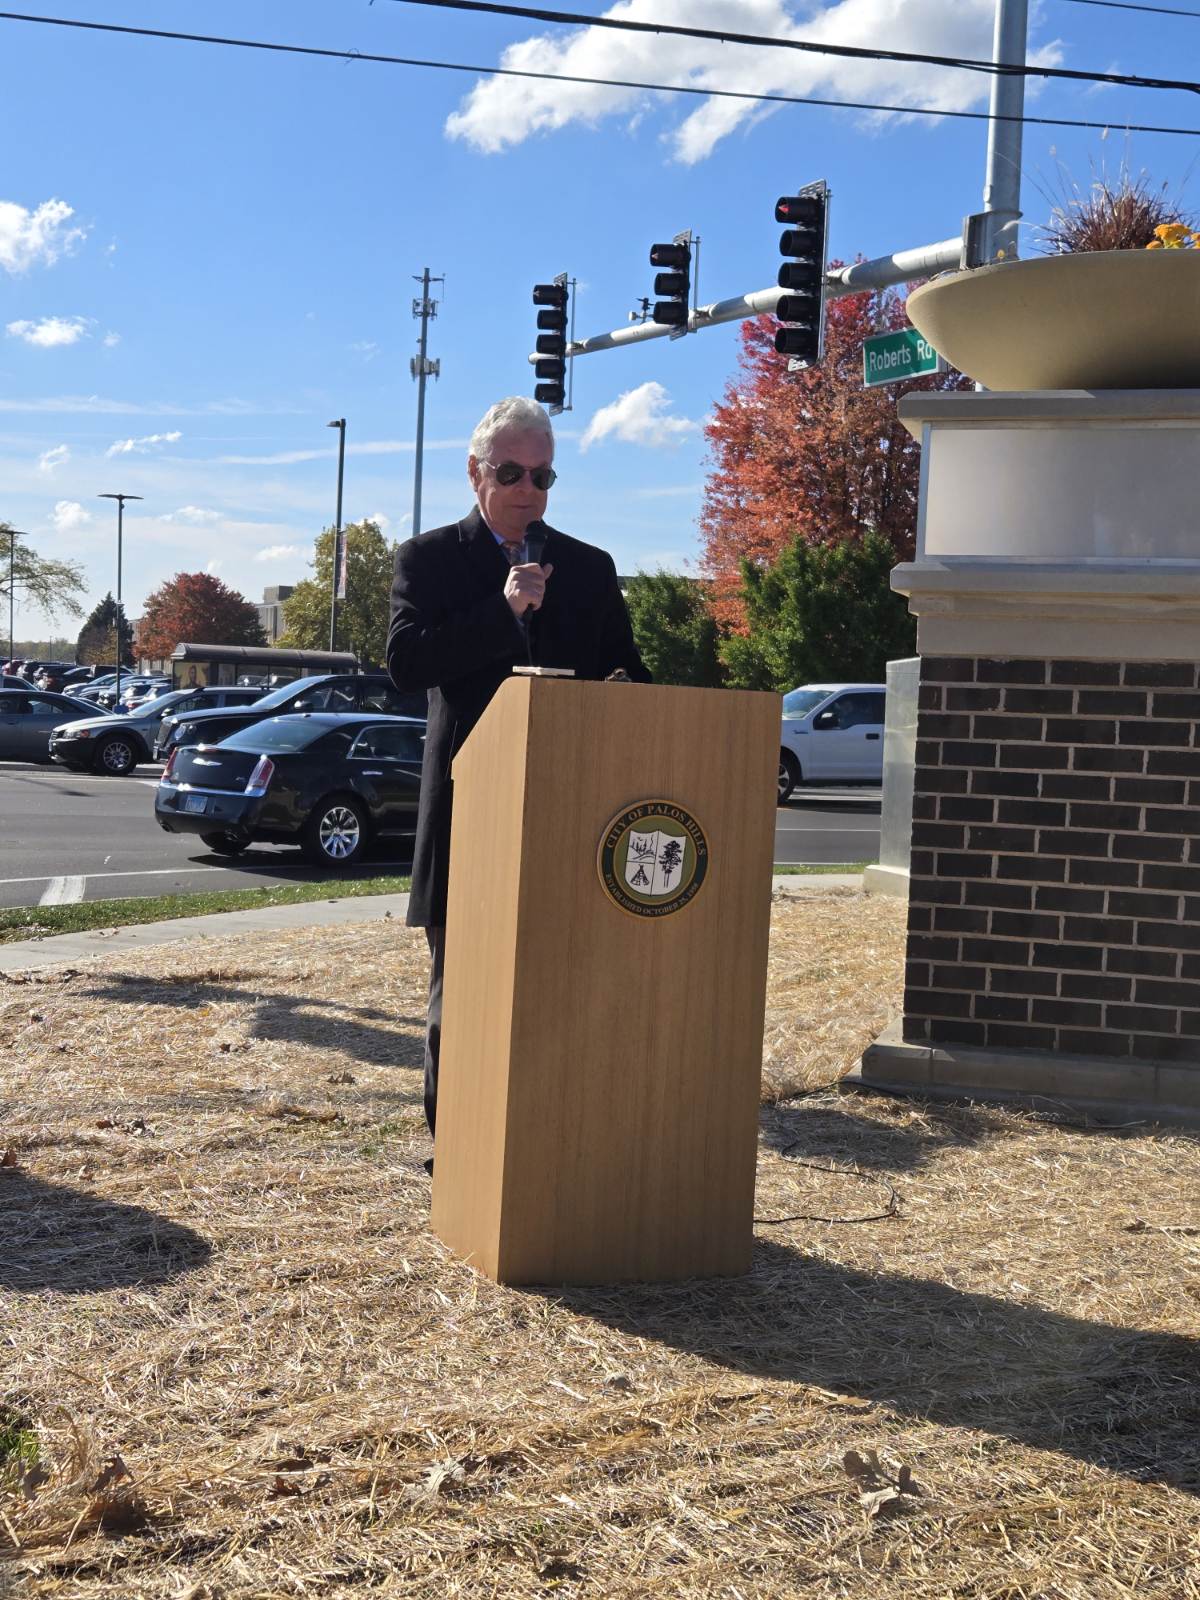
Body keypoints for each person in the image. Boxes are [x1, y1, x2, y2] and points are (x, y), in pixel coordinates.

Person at [387, 395, 649, 1153]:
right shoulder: (429, 560)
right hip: (472, 813)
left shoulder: (590, 569)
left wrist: (628, 695)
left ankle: (547, 1143)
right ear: (475, 473)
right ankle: (459, 1149)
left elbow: (627, 670)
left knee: (559, 993)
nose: (528, 488)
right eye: (511, 471)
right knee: (463, 994)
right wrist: (502, 612)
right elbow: (407, 666)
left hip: (572, 813)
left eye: (543, 474)